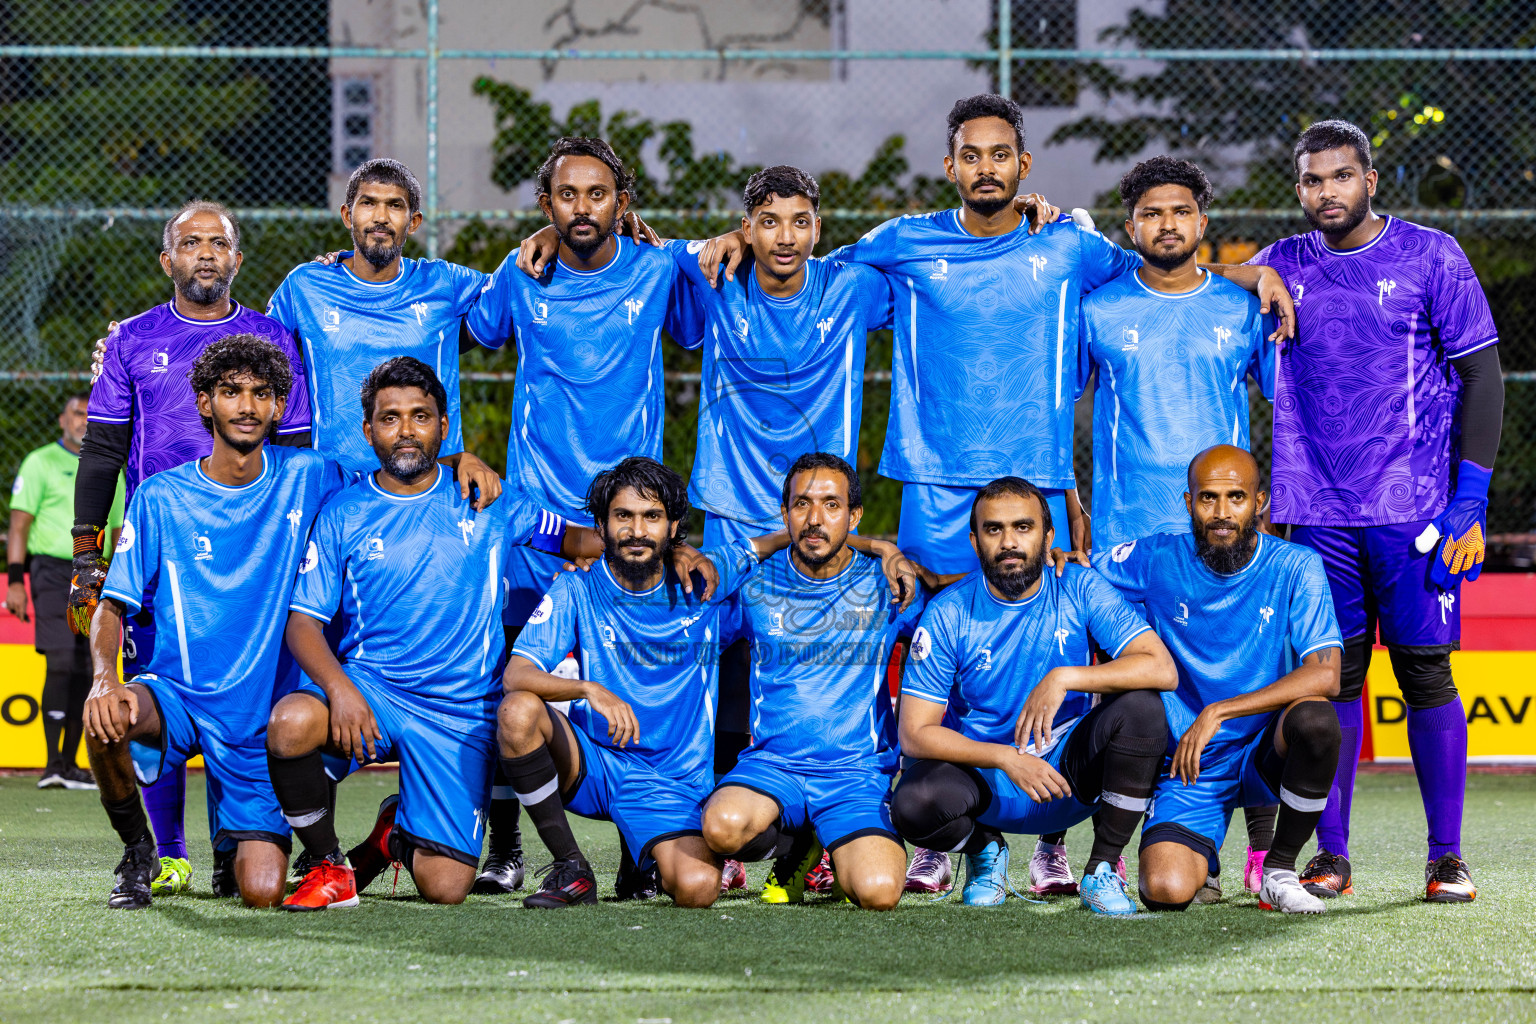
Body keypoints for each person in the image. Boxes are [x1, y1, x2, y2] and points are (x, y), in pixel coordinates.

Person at [696, 94, 1295, 577]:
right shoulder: (904, 240)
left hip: (1037, 478)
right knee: (932, 623)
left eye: (1000, 155)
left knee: (1038, 635)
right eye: (972, 156)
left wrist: (1248, 273)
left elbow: (1158, 274)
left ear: (1023, 165)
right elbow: (807, 272)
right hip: (935, 479)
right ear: (951, 167)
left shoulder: (1067, 243)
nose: (987, 168)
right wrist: (740, 238)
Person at [1247, 120, 1504, 903]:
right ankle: (1332, 855)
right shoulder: (1281, 262)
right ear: (1298, 188)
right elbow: (1186, 270)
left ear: (1370, 179)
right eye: (1312, 179)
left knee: (1426, 672)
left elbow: (1484, 377)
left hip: (1416, 512)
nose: (1327, 191)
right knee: (1335, 681)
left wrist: (1470, 499)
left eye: (1341, 176)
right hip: (1315, 514)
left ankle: (1446, 857)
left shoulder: (1433, 256)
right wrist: (1245, 274)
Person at [266, 358, 625, 909]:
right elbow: (303, 624)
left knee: (445, 888)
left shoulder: (490, 499)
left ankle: (394, 834)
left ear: (443, 425)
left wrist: (665, 551)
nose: (406, 430)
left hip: (460, 709)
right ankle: (328, 864)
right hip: (374, 692)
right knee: (290, 722)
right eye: (390, 418)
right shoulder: (343, 512)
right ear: (368, 430)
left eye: (420, 416)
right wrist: (341, 690)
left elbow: (577, 541)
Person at [461, 136, 708, 892]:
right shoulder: (521, 272)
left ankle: (641, 849)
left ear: (622, 204)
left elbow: (703, 294)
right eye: (566, 196)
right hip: (537, 524)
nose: (581, 208)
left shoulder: (657, 268)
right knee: (505, 682)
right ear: (546, 205)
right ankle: (507, 846)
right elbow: (474, 326)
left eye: (597, 194)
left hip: (630, 526)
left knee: (637, 678)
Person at [70, 200, 312, 898]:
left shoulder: (273, 337)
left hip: (251, 554)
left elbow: (296, 455)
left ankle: (231, 845)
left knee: (245, 697)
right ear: (167, 259)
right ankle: (165, 853)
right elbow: (103, 450)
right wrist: (87, 554)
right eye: (190, 242)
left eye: (218, 242)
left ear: (237, 259)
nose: (205, 253)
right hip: (160, 549)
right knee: (161, 689)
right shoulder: (130, 339)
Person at [1074, 154, 1280, 901]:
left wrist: (1279, 508)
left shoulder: (1241, 308)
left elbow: (1286, 408)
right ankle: (1135, 847)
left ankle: (1261, 851)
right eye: (1151, 213)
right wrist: (1071, 507)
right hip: (1129, 543)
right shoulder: (1097, 310)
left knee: (1241, 686)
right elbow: (1056, 411)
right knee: (1142, 701)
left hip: (1223, 539)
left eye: (1181, 211)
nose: (1167, 224)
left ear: (1202, 221)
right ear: (1130, 227)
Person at [80, 334, 341, 909]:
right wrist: (105, 678)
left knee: (261, 892)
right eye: (231, 392)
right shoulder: (160, 496)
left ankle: (234, 840)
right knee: (104, 720)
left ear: (279, 406)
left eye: (261, 393)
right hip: (179, 696)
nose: (247, 406)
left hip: (260, 717)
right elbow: (112, 605)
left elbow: (394, 484)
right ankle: (138, 850)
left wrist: (459, 462)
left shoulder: (312, 474)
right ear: (205, 402)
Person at [890, 477, 1176, 913]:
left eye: (1023, 527)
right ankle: (985, 852)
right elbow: (913, 733)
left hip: (1066, 780)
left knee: (1143, 708)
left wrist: (1064, 677)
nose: (1009, 542)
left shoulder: (1080, 587)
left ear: (1048, 536)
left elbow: (1161, 667)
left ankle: (1101, 869)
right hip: (984, 783)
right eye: (994, 529)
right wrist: (1005, 758)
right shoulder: (947, 611)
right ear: (975, 541)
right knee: (912, 803)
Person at [499, 457, 763, 909]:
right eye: (623, 515)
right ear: (601, 526)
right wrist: (588, 690)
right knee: (517, 711)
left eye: (652, 516)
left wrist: (875, 547)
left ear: (673, 526)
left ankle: (643, 857)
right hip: (596, 766)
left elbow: (783, 541)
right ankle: (571, 866)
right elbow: (516, 674)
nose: (637, 530)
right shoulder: (577, 587)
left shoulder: (705, 582)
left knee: (697, 888)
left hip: (670, 783)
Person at [1093, 445, 1345, 914]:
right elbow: (1076, 576)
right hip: (1193, 764)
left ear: (1260, 502)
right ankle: (1203, 858)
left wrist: (1220, 711)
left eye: (1236, 498)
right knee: (1164, 890)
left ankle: (1279, 870)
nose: (1222, 513)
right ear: (1189, 503)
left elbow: (1327, 674)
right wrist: (1057, 558)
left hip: (1265, 751)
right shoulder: (1157, 557)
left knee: (1316, 721)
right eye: (1208, 498)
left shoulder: (1297, 565)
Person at [701, 453, 929, 911]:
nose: (815, 518)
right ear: (784, 513)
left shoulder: (889, 584)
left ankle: (833, 841)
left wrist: (886, 551)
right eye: (801, 504)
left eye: (831, 504)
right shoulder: (755, 583)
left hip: (855, 773)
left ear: (854, 515)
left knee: (878, 892)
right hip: (773, 767)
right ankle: (798, 845)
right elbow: (694, 589)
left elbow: (952, 619)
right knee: (721, 828)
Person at [9, 394, 123, 789]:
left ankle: (73, 765)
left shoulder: (110, 470)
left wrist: (121, 582)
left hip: (96, 572)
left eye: (91, 414)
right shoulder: (40, 461)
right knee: (59, 661)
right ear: (62, 419)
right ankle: (52, 765)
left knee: (86, 667)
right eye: (78, 413)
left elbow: (117, 531)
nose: (84, 420)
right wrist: (15, 580)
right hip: (52, 571)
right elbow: (19, 525)